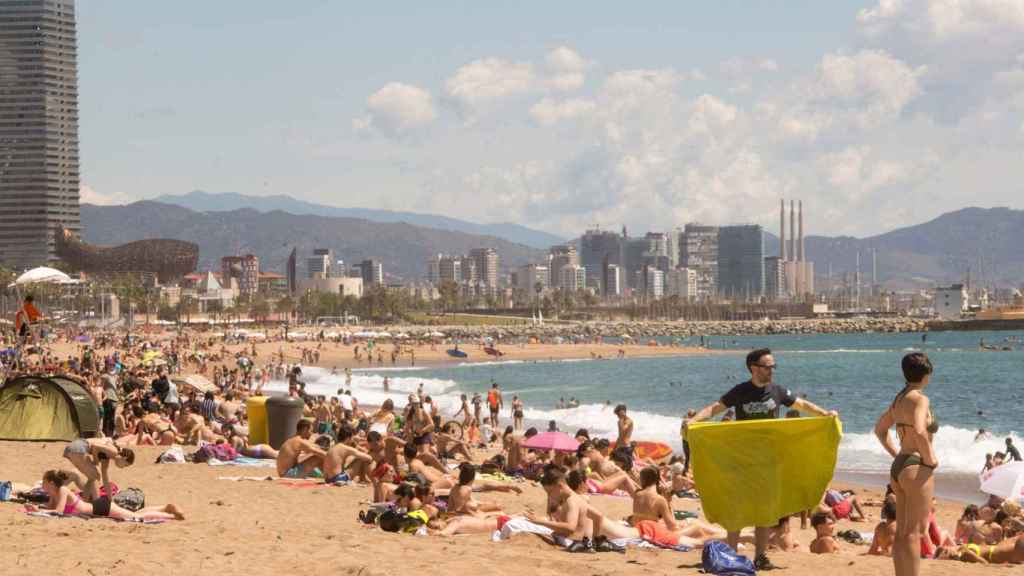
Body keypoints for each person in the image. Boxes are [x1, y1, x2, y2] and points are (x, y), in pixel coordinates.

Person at [682, 348, 837, 570]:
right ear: (754, 368)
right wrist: (694, 421)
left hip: (770, 461)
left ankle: (760, 557)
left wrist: (825, 414)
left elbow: (801, 405)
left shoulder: (777, 391)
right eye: (767, 366)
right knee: (737, 508)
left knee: (766, 510)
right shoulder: (740, 391)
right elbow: (715, 408)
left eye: (773, 366)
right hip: (742, 459)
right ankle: (732, 554)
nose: (772, 370)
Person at [873, 352, 938, 576]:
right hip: (916, 465)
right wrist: (930, 458)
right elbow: (920, 430)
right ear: (926, 374)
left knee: (902, 532)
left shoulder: (899, 399)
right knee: (915, 532)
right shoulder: (920, 398)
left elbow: (880, 430)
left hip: (900, 464)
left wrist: (896, 454)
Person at [29, 469, 184, 521]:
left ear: (50, 482)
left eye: (43, 482)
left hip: (100, 508)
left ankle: (171, 516)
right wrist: (37, 507)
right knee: (133, 514)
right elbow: (50, 508)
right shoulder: (53, 493)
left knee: (135, 518)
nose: (42, 485)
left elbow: (59, 511)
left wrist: (40, 511)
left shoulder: (62, 490)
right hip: (98, 508)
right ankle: (165, 507)